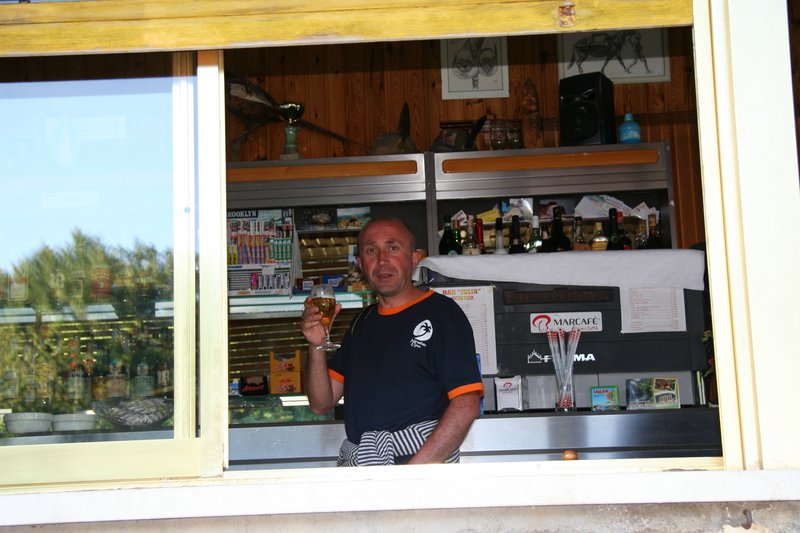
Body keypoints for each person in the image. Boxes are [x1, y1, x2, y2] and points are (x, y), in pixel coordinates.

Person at [301, 217, 483, 466]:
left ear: (414, 258)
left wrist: (410, 475)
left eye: (393, 248)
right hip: (367, 466)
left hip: (420, 468)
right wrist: (316, 346)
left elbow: (466, 404)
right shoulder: (361, 322)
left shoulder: (442, 313)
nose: (382, 260)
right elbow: (321, 403)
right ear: (360, 264)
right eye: (371, 251)